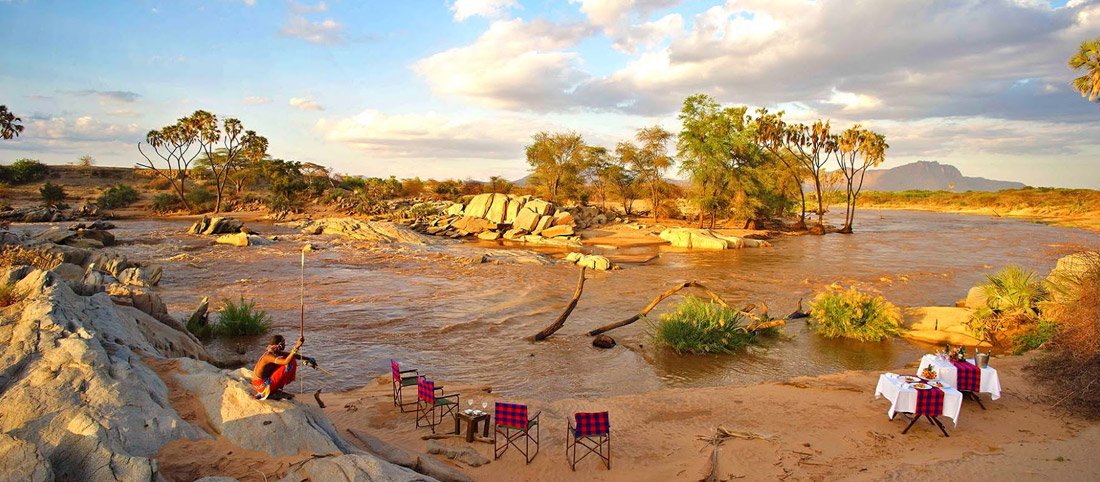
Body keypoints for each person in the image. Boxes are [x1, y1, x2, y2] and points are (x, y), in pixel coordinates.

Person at [251, 334, 317, 400]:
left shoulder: (275, 352)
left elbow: (293, 355)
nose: (285, 345)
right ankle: (273, 391)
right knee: (290, 362)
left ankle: (275, 389)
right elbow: (286, 361)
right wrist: (296, 346)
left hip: (260, 384)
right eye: (283, 343)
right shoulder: (268, 356)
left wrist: (308, 359)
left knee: (290, 357)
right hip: (262, 387)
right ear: (279, 345)